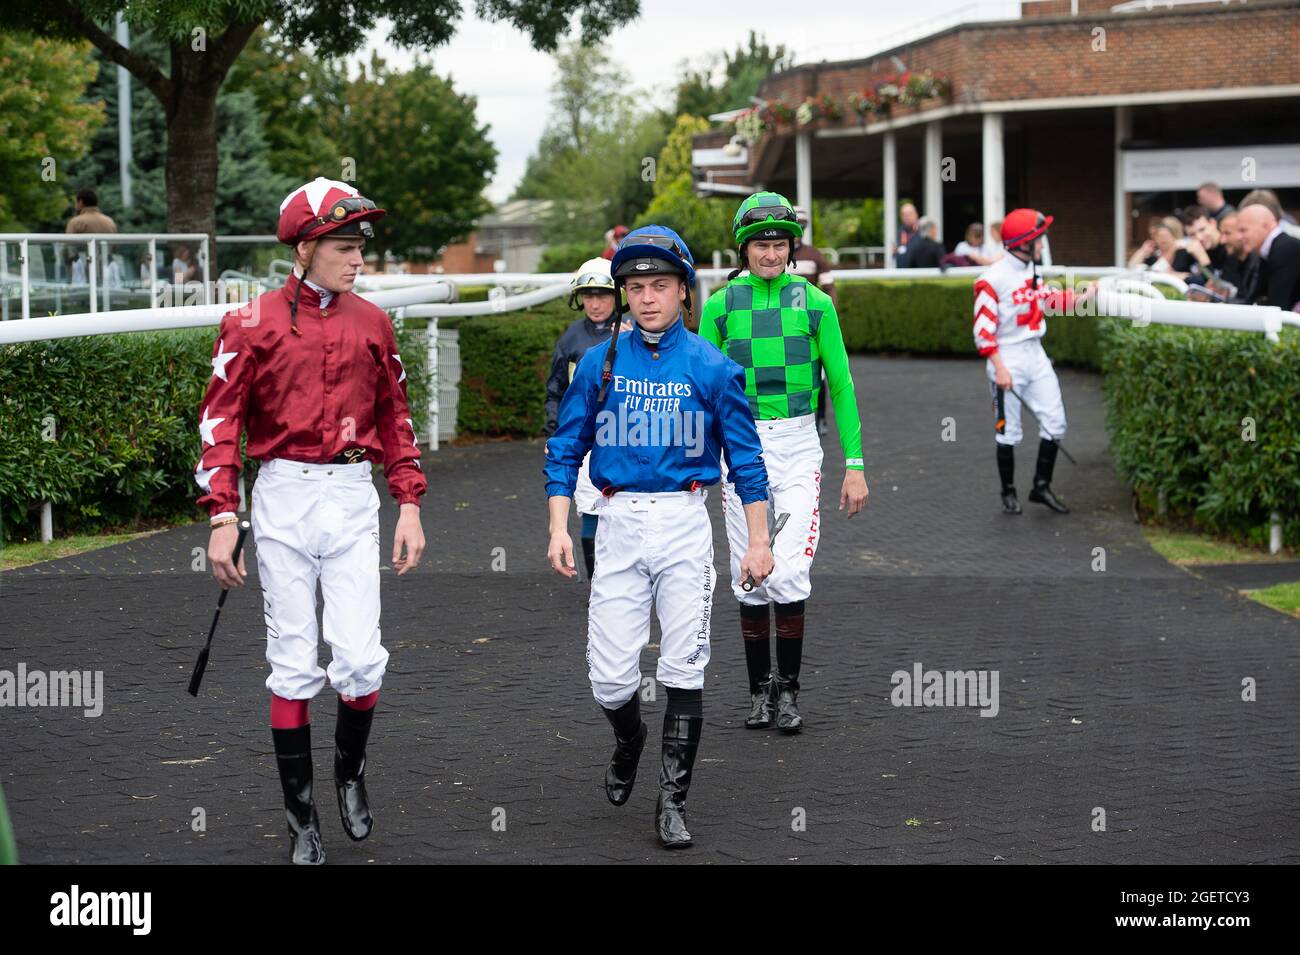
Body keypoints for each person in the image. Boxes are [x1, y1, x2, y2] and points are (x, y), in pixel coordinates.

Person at [196, 177, 427, 865]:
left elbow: (396, 417)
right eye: (343, 246)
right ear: (304, 248)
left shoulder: (374, 322)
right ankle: (301, 817)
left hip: (354, 493)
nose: (357, 259)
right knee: (293, 661)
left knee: (357, 657)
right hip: (283, 493)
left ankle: (349, 768)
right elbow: (220, 424)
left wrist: (408, 500)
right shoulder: (249, 322)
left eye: (360, 246)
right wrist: (222, 514)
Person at [544, 225, 773, 849]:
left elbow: (748, 463)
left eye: (661, 286)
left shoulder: (714, 368)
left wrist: (758, 541)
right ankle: (629, 738)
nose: (647, 298)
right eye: (636, 287)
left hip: (683, 523)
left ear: (684, 293)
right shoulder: (599, 362)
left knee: (683, 668)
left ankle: (672, 802)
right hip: (615, 525)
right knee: (610, 678)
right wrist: (560, 526)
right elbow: (565, 447)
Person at [700, 191, 869, 735]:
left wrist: (856, 463)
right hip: (741, 446)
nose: (770, 254)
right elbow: (699, 389)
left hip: (798, 445)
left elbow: (839, 386)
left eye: (779, 244)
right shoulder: (719, 306)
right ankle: (758, 693)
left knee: (790, 570)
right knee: (748, 573)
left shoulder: (817, 304)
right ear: (743, 248)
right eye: (760, 245)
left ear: (792, 247)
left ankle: (789, 692)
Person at [972, 207, 1095, 516]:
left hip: (1035, 354)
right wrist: (999, 368)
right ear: (1023, 243)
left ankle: (1041, 487)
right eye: (1038, 239)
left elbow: (1047, 300)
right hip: (1006, 357)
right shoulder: (990, 280)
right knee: (1008, 431)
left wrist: (1082, 297)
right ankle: (1008, 492)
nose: (1042, 244)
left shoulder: (1032, 270)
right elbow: (983, 332)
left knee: (1056, 421)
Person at [543, 257, 630, 577]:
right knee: (589, 509)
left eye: (603, 295)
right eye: (588, 296)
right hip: (585, 438)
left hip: (625, 436)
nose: (595, 303)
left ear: (618, 296)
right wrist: (554, 434)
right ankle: (598, 584)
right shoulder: (570, 338)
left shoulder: (635, 330)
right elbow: (555, 391)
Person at [790, 206, 837, 436]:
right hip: (780, 324)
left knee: (818, 372)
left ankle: (820, 419)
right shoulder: (776, 254)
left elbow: (830, 288)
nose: (797, 231)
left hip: (808, 325)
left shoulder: (815, 255)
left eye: (801, 227)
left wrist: (829, 319)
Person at [1238, 203, 1300, 311]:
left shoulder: (1285, 249)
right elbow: (1254, 298)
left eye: (1244, 230)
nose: (1239, 237)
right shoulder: (1271, 250)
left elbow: (1277, 307)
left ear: (1265, 226)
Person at [893, 202, 920, 267]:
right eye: (904, 215)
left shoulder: (922, 230)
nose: (907, 217)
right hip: (902, 270)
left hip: (918, 270)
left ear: (916, 214)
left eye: (909, 214)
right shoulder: (899, 231)